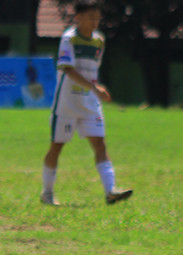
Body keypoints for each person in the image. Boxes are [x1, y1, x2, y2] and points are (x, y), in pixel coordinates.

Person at [40, 1, 132, 206]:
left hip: (89, 102)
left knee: (100, 144)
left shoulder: (99, 40)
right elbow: (68, 69)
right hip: (67, 102)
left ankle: (110, 191)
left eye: (97, 18)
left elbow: (92, 70)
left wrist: (95, 87)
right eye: (91, 17)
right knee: (57, 146)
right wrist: (94, 87)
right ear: (78, 17)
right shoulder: (69, 39)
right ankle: (47, 193)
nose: (95, 22)